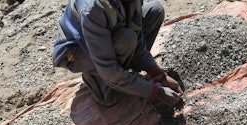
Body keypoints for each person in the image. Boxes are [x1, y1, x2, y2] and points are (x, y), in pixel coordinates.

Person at [53, 0, 182, 107]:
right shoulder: (93, 8)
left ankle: (125, 73)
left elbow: (138, 37)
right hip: (77, 51)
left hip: (107, 34)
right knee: (126, 39)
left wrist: (157, 73)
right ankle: (98, 81)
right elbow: (109, 68)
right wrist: (156, 92)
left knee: (155, 10)